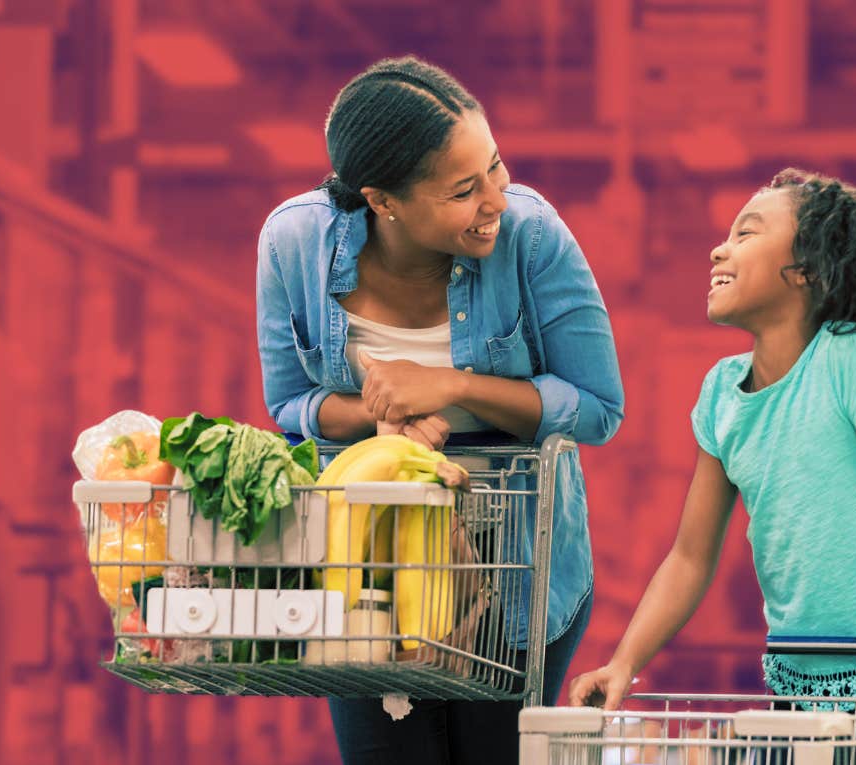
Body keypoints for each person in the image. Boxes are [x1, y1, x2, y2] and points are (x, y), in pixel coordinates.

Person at [255, 55, 623, 764]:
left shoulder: (532, 238)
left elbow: (600, 408)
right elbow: (290, 404)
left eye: (496, 166)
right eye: (463, 188)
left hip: (518, 561)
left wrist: (451, 385)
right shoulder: (293, 243)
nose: (496, 198)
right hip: (369, 562)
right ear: (383, 200)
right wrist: (378, 416)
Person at [569, 169, 856, 743]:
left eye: (746, 234)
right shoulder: (721, 394)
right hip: (798, 674)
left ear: (805, 268)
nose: (719, 248)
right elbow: (689, 557)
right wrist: (624, 663)